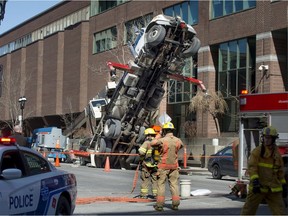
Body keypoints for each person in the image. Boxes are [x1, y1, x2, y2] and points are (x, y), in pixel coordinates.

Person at [241, 126, 287, 215]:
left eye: (269, 138)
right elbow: (252, 167)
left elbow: (280, 171)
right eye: (265, 137)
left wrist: (284, 184)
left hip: (273, 188)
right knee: (248, 211)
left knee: (280, 212)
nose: (266, 140)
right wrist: (255, 180)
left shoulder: (277, 153)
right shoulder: (257, 151)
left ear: (273, 139)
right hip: (258, 187)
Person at [151, 122, 184, 211]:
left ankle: (159, 206)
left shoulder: (162, 140)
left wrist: (159, 134)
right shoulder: (178, 140)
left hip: (163, 166)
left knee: (161, 185)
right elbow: (181, 146)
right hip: (174, 166)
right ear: (173, 130)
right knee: (174, 185)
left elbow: (152, 143)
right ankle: (176, 205)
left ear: (164, 130)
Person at [138, 128, 159, 199]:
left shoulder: (147, 143)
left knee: (145, 180)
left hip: (146, 165)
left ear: (148, 135)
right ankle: (156, 195)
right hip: (155, 165)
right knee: (155, 180)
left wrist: (141, 158)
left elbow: (141, 152)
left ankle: (144, 195)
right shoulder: (157, 143)